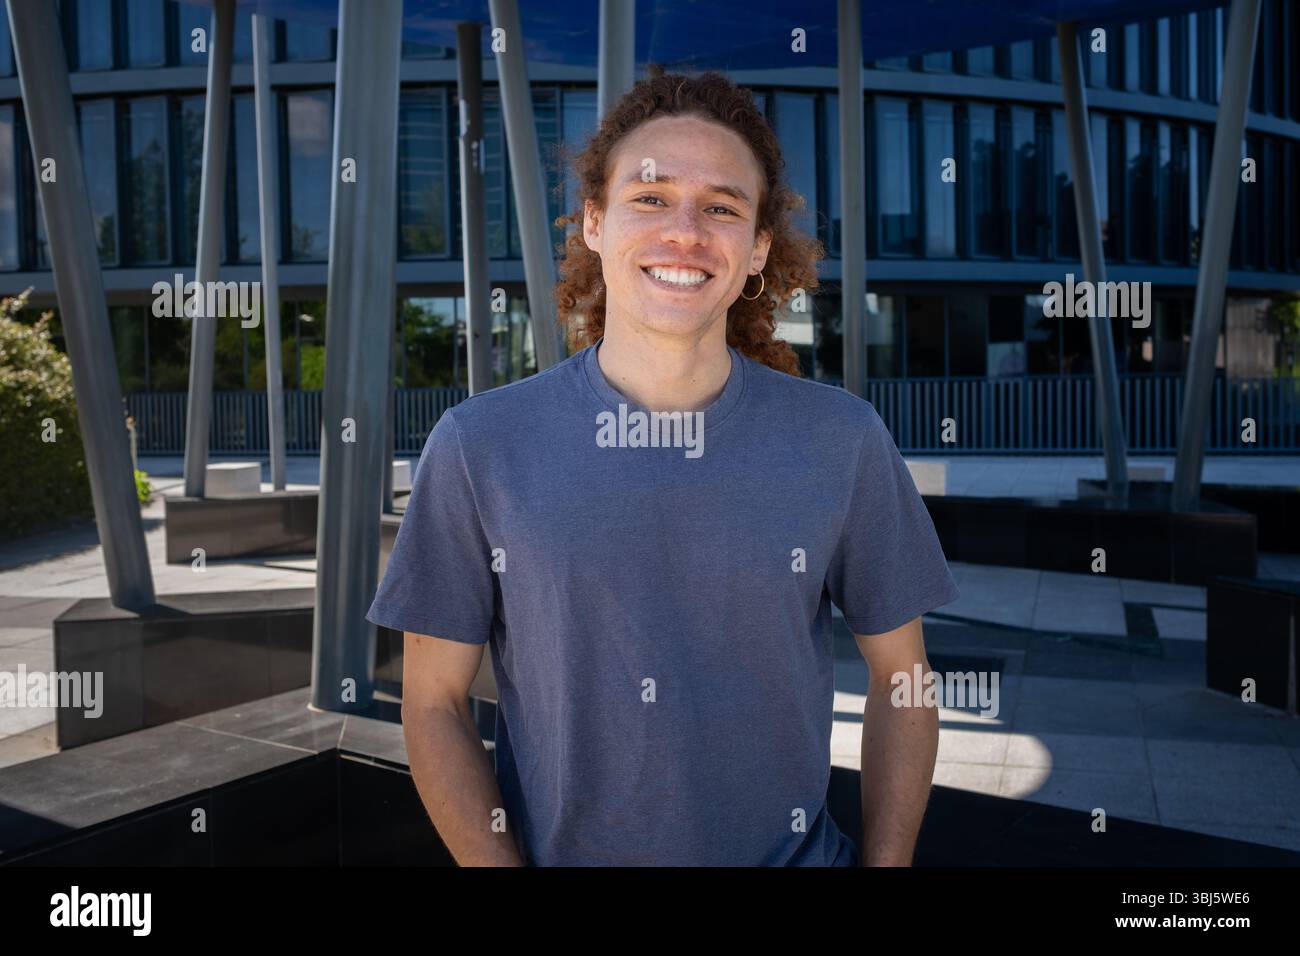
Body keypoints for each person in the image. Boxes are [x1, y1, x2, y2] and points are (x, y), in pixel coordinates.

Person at [367, 68, 959, 867]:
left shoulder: (841, 439)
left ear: (755, 251)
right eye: (650, 197)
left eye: (720, 206)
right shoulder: (480, 445)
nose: (685, 230)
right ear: (594, 224)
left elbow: (905, 681)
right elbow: (433, 702)